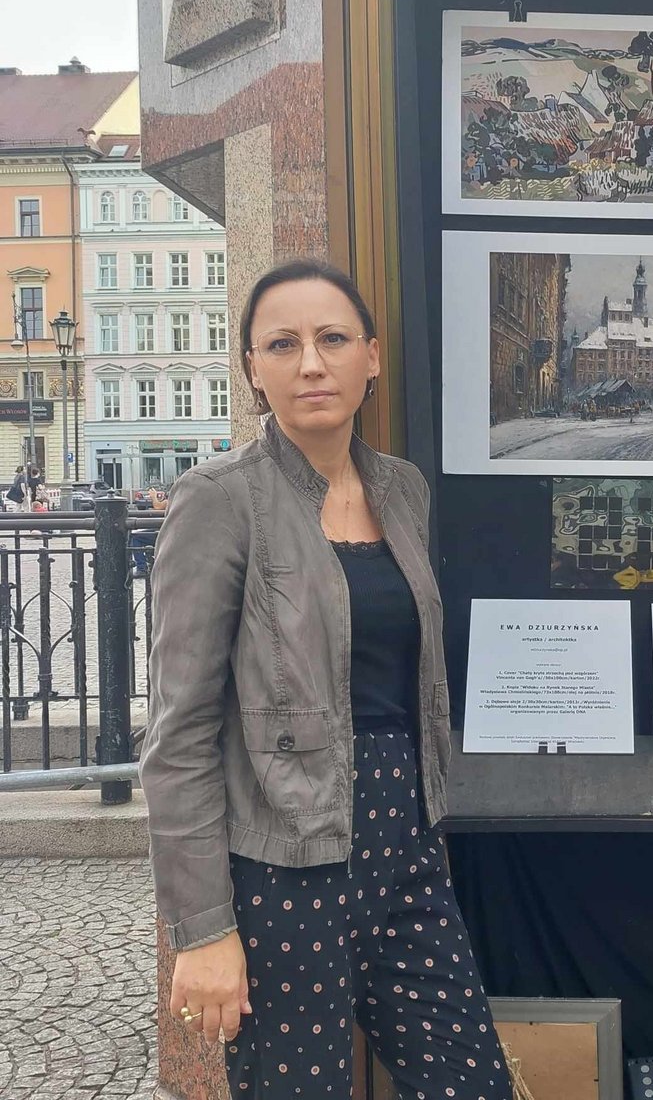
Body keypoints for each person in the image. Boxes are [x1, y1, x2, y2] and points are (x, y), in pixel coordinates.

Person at [139, 260, 512, 1099]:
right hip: (283, 866)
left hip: (405, 843)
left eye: (332, 339)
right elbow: (180, 732)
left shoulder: (403, 490)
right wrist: (203, 929)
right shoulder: (219, 500)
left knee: (471, 1082)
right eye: (283, 344)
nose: (311, 363)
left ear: (371, 357)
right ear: (252, 369)